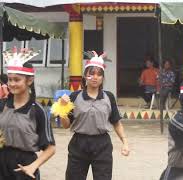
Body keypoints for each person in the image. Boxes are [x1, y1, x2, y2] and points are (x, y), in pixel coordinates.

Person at [59, 51, 130, 180]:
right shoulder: (74, 97)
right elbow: (65, 125)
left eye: (99, 74)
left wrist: (125, 142)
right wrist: (63, 109)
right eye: (91, 74)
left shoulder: (109, 97)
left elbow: (116, 122)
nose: (95, 77)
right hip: (78, 144)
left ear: (102, 78)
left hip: (102, 144)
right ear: (85, 76)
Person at [0, 48, 56, 180]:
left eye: (17, 80)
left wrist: (33, 166)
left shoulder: (37, 110)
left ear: (29, 81)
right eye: (10, 79)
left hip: (25, 166)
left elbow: (51, 148)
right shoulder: (2, 106)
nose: (12, 84)